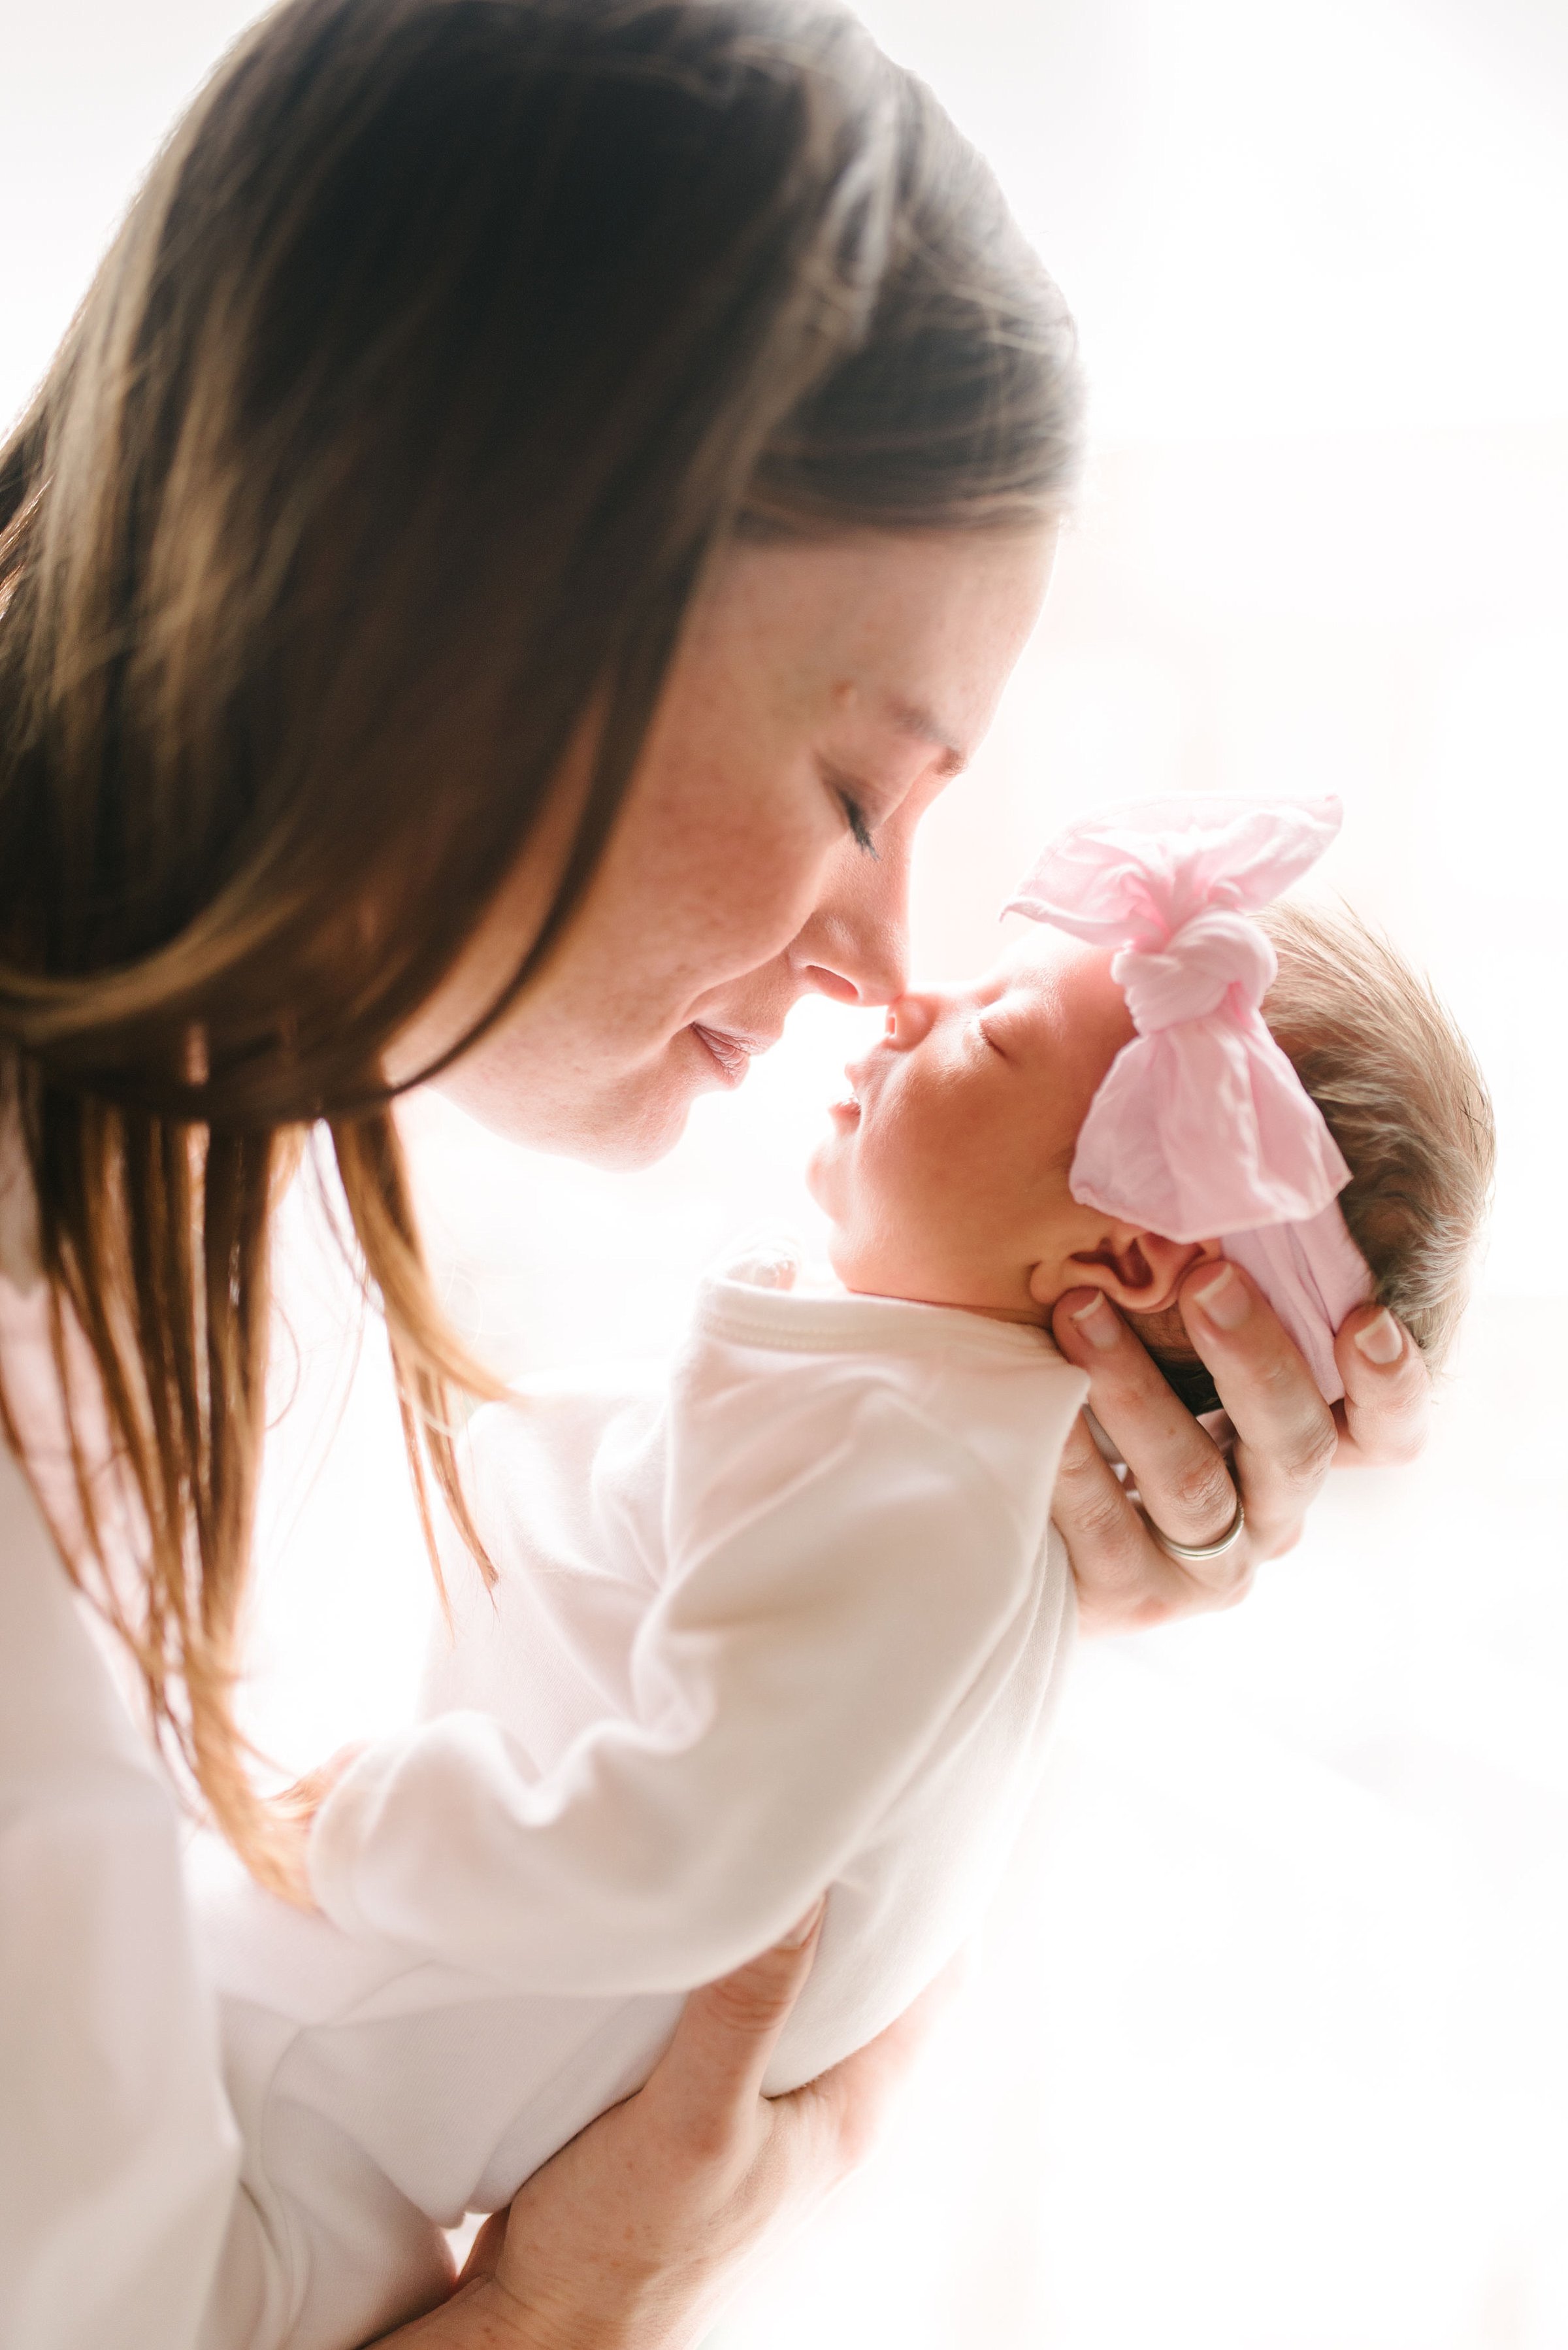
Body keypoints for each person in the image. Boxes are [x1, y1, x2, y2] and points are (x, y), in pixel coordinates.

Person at [0, 3, 1431, 2345]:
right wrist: (583, 2302)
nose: (888, 946)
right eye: (868, 790)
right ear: (455, 598)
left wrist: (985, 1527)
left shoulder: (268, 1105)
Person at [185, 797, 1487, 2350]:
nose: (910, 995)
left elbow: (685, 1854)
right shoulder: (912, 1438)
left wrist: (356, 1831)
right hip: (328, 2072)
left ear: (1124, 1262)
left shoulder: (913, 1485)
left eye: (991, 1039)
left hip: (308, 2084)